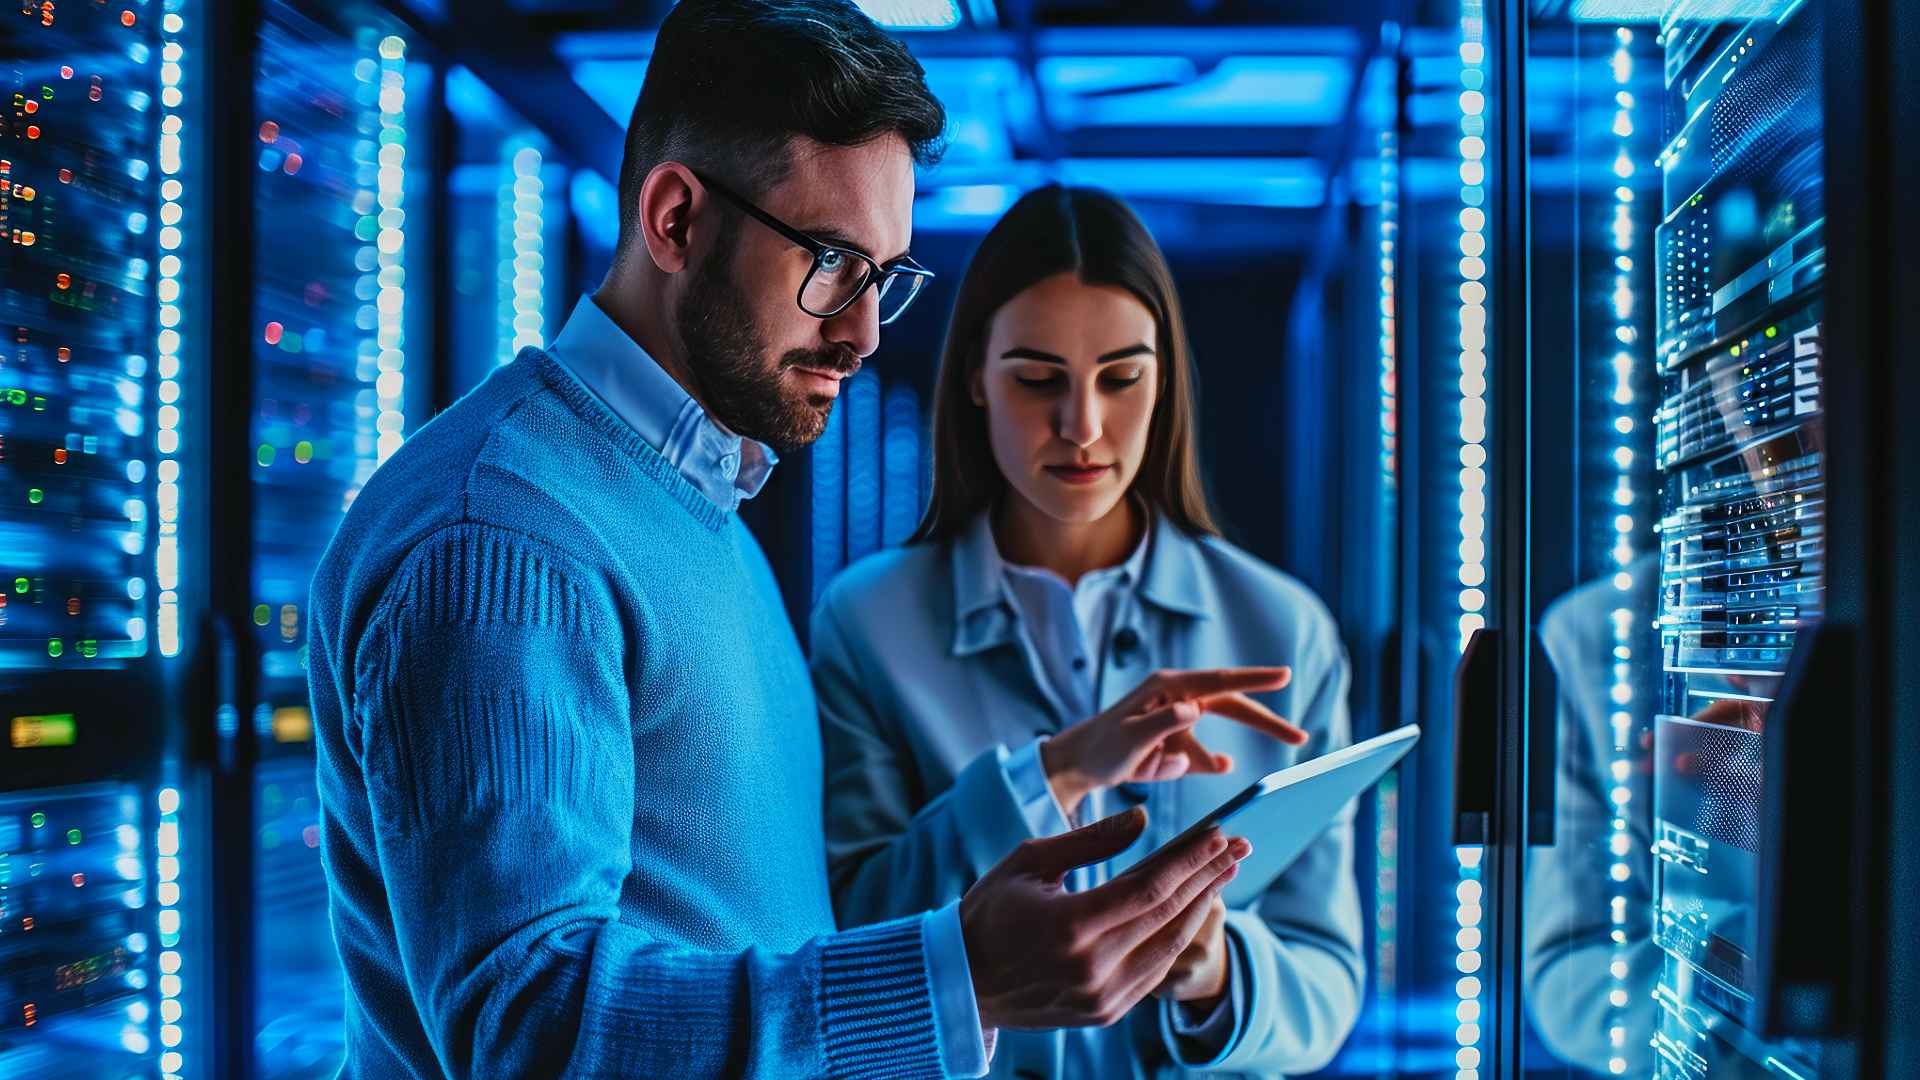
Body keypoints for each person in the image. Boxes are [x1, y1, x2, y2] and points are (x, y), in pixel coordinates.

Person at [306, 6, 1250, 1077]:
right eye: (833, 261)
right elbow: (530, 1029)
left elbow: (769, 943)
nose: (863, 332)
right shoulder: (506, 538)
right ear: (674, 220)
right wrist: (961, 980)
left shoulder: (696, 503)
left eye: (884, 276)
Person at [812, 186, 1366, 1077]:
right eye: (1038, 380)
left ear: (1165, 380)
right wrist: (1056, 771)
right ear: (974, 379)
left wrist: (1216, 976)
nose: (1083, 427)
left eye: (1122, 378)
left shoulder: (1284, 631)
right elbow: (850, 933)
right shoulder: (867, 624)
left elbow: (1328, 973)